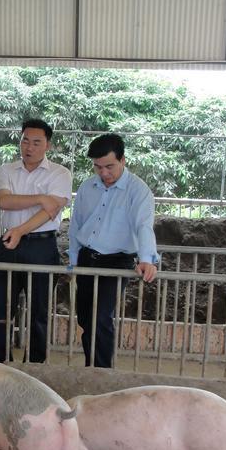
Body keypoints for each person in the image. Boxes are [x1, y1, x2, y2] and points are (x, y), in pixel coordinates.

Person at [69, 133, 158, 368]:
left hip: (116, 261)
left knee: (101, 317)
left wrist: (146, 258)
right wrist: (73, 258)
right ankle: (91, 366)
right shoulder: (87, 187)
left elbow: (143, 225)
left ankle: (101, 372)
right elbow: (77, 224)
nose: (104, 173)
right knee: (86, 317)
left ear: (123, 160)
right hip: (87, 257)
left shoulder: (138, 190)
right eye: (98, 167)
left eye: (109, 166)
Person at [0, 119, 72, 363]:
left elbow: (50, 211)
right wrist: (40, 198)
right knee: (2, 308)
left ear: (48, 145)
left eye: (36, 142)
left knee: (40, 310)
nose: (29, 147)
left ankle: (36, 365)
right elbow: (4, 201)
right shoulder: (6, 170)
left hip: (42, 246)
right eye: (25, 140)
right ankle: (0, 362)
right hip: (8, 245)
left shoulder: (60, 173)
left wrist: (20, 230)